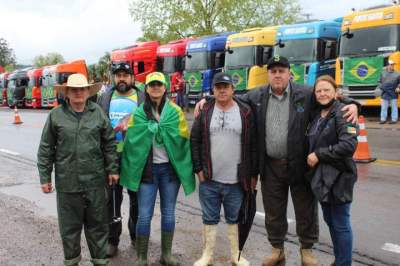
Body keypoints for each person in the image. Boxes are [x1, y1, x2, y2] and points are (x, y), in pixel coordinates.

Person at [194, 55, 359, 266]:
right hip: (271, 166)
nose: (277, 75)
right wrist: (206, 100)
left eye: (282, 71)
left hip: (300, 166)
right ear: (268, 75)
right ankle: (277, 250)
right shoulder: (256, 96)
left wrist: (353, 104)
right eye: (273, 71)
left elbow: (328, 97)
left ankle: (306, 251)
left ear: (290, 73)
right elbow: (229, 96)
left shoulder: (306, 94)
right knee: (274, 212)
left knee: (305, 210)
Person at [37, 73, 119, 266]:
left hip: (95, 182)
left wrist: (113, 169)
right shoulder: (56, 115)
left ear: (88, 91)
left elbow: (109, 143)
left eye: (82, 89)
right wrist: (44, 177)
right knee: (69, 229)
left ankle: (100, 261)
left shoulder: (97, 112)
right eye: (74, 90)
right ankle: (72, 262)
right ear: (67, 93)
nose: (78, 93)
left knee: (98, 227)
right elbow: (46, 148)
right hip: (67, 183)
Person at [120, 72, 196, 266]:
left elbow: (182, 139)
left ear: (165, 88)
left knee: (169, 212)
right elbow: (132, 143)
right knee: (144, 215)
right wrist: (148, 130)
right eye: (152, 84)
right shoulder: (138, 113)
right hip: (147, 171)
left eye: (159, 84)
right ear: (146, 88)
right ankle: (142, 257)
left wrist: (161, 129)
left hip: (169, 171)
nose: (155, 87)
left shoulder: (175, 112)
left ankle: (166, 255)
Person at [191, 73, 257, 266]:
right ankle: (207, 256)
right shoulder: (205, 110)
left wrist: (253, 174)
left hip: (237, 180)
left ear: (232, 89)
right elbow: (195, 140)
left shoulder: (245, 111)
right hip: (209, 178)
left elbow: (253, 144)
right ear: (213, 90)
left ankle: (236, 256)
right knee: (209, 218)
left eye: (225, 86)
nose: (222, 90)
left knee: (234, 219)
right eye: (218, 87)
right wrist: (198, 169)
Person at [306, 75, 358, 266]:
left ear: (336, 92)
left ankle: (344, 263)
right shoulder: (318, 113)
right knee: (331, 221)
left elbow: (349, 145)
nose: (322, 94)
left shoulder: (343, 112)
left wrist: (319, 154)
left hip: (339, 176)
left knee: (340, 224)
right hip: (322, 178)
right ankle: (339, 260)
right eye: (319, 91)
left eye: (326, 90)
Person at [97, 61, 145, 257]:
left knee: (137, 200)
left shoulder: (142, 97)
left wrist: (203, 101)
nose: (122, 78)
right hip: (111, 156)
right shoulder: (104, 97)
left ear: (132, 77)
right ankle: (112, 240)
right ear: (113, 78)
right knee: (112, 201)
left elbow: (160, 107)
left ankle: (135, 236)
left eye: (125, 75)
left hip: (134, 157)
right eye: (118, 75)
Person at [377, 60, 400, 124]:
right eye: (391, 65)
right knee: (384, 107)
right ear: (387, 65)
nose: (392, 66)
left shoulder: (398, 73)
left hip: (393, 92)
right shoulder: (382, 73)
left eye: (393, 65)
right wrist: (381, 87)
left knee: (394, 107)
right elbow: (379, 82)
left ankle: (394, 120)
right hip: (384, 92)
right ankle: (383, 119)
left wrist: (398, 87)